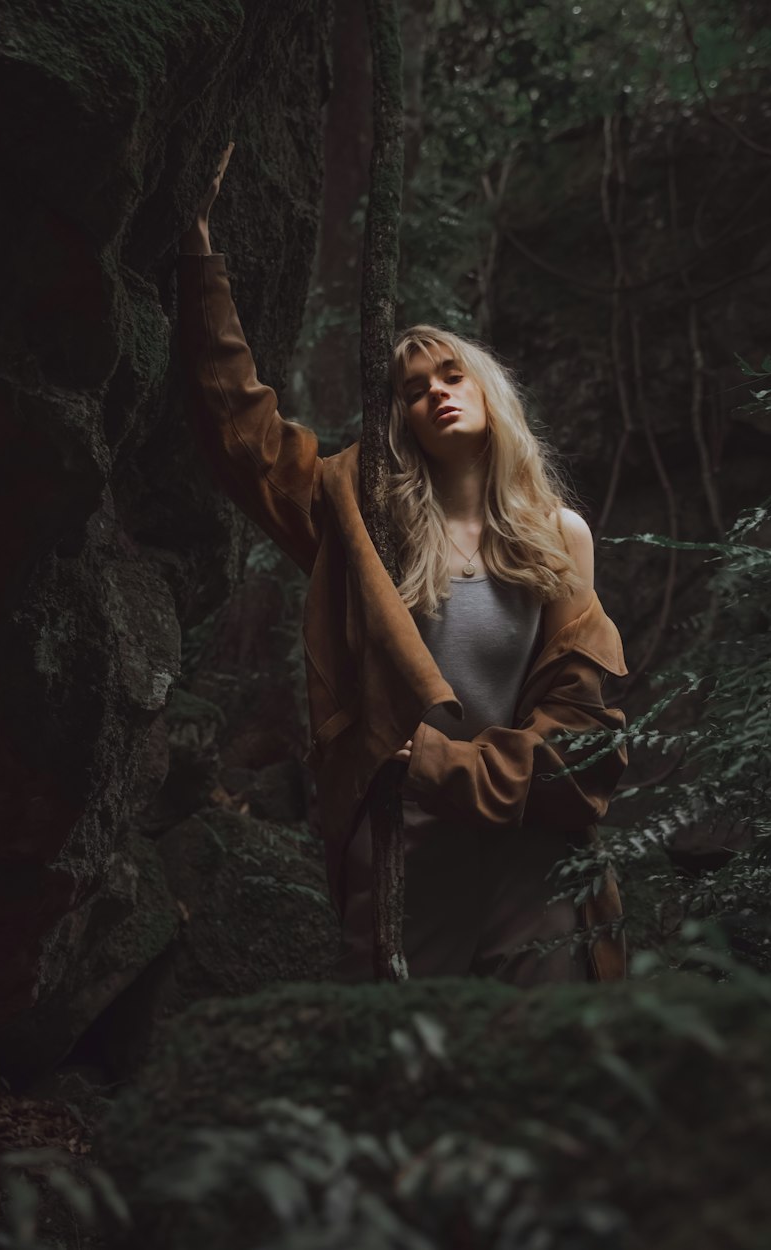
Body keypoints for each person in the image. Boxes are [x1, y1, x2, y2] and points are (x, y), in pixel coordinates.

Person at [177, 142, 630, 985]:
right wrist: (201, 260)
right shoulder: (362, 521)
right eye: (415, 389)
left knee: (544, 1072)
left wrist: (439, 764)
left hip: (530, 848)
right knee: (407, 1068)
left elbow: (580, 722)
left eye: (453, 374)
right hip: (409, 847)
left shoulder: (559, 534)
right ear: (402, 419)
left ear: (490, 394)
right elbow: (245, 438)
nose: (437, 393)